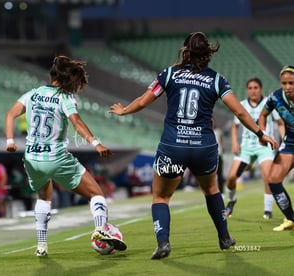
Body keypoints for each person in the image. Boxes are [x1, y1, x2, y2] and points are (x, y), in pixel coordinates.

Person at [109, 32, 278, 259]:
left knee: (161, 197)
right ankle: (225, 238)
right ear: (208, 53)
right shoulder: (217, 80)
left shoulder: (169, 74)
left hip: (173, 145)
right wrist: (260, 133)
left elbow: (143, 100)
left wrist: (124, 110)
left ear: (185, 50)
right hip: (204, 147)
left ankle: (163, 243)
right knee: (211, 190)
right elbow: (239, 111)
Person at [5, 55, 127, 257]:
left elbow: (10, 114)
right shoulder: (64, 97)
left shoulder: (32, 94)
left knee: (44, 196)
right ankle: (100, 230)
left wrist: (10, 141)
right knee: (96, 193)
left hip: (32, 158)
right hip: (55, 157)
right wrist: (96, 144)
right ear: (66, 80)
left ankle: (41, 246)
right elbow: (77, 123)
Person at [224, 77, 284, 219]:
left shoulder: (268, 103)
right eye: (250, 88)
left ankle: (267, 211)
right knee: (231, 178)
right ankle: (232, 200)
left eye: (255, 87)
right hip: (246, 148)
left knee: (267, 176)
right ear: (247, 90)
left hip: (265, 147)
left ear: (261, 89)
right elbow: (235, 126)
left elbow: (280, 122)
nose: (253, 91)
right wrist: (234, 142)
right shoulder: (242, 105)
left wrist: (283, 139)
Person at [258, 65, 294, 231]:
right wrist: (262, 134)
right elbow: (262, 115)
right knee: (273, 179)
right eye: (284, 83)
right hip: (290, 143)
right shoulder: (276, 97)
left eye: (291, 83)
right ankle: (290, 219)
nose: (287, 87)